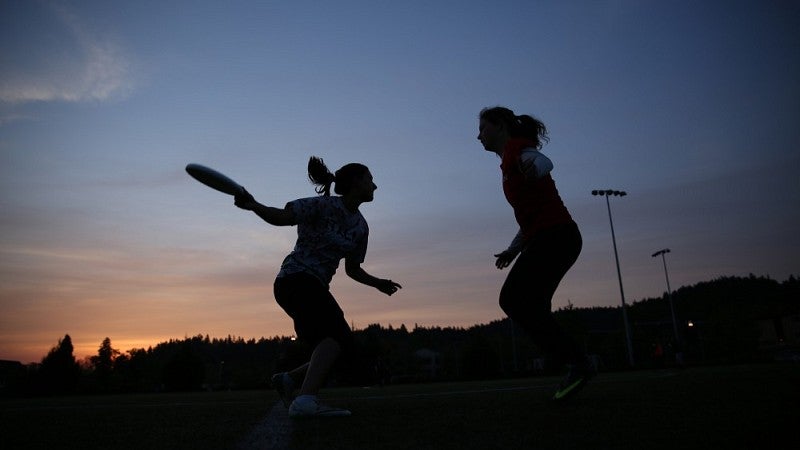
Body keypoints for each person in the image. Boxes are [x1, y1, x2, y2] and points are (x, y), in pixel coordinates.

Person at [234, 156, 402, 417]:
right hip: (295, 279)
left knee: (343, 345)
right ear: (356, 182)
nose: (375, 186)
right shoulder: (321, 206)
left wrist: (378, 283)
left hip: (315, 285)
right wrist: (253, 205)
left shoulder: (361, 227)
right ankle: (305, 401)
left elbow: (352, 269)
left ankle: (289, 380)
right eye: (370, 179)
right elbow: (281, 217)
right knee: (332, 337)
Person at [477, 106, 593, 401]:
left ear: (500, 126)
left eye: (483, 128)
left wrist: (536, 168)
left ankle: (577, 361)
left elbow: (542, 161)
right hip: (551, 238)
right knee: (530, 305)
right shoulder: (506, 164)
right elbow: (528, 219)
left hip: (557, 237)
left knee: (513, 300)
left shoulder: (519, 150)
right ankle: (574, 362)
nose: (478, 136)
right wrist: (513, 250)